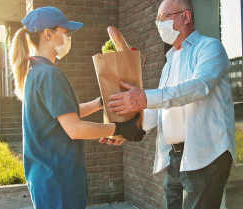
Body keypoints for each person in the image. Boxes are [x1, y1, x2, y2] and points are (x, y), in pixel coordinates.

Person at [103, 0, 237, 208]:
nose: (159, 23)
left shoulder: (210, 48)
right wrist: (123, 129)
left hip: (206, 155)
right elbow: (159, 111)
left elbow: (198, 87)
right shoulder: (170, 62)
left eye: (165, 17)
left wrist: (145, 98)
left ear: (186, 17)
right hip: (175, 158)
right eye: (157, 19)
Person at [9, 7, 146, 209]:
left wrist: (101, 102)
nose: (68, 38)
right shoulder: (49, 75)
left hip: (48, 179)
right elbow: (74, 129)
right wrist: (120, 129)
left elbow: (64, 115)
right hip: (58, 180)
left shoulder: (36, 72)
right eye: (64, 33)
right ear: (48, 34)